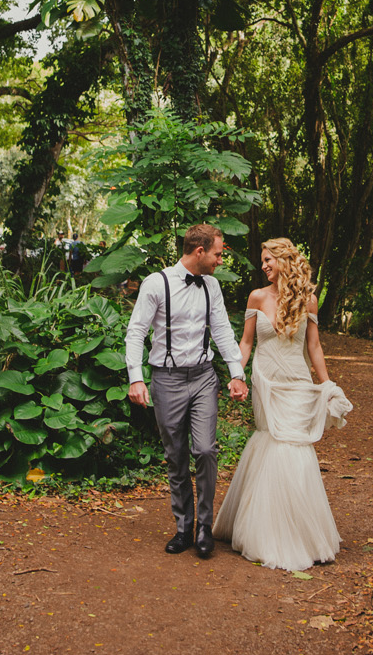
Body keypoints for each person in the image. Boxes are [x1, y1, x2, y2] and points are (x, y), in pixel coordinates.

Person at [211, 238, 352, 571]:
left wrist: (326, 385)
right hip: (265, 379)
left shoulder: (309, 301)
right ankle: (266, 529)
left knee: (294, 446)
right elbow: (246, 342)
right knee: (272, 439)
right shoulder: (257, 297)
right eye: (262, 261)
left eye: (267, 259)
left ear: (285, 260)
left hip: (297, 380)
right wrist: (237, 375)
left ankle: (301, 533)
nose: (263, 265)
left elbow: (314, 347)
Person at [125, 224, 250, 559]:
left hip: (203, 377)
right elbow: (136, 332)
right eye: (218, 254)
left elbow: (222, 329)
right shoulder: (157, 283)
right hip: (166, 380)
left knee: (206, 450)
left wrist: (236, 372)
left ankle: (205, 527)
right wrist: (136, 378)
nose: (220, 260)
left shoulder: (212, 287)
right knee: (176, 455)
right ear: (199, 252)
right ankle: (184, 527)